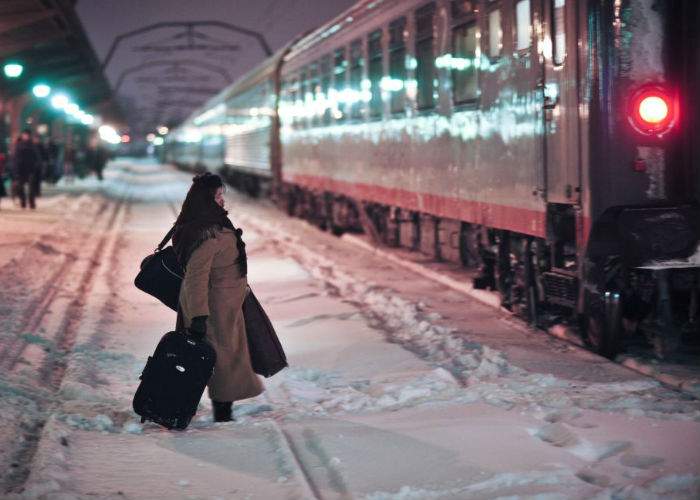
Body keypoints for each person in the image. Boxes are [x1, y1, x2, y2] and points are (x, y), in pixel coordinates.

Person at [172, 173, 263, 422]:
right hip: (214, 309)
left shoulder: (212, 224)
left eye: (222, 195)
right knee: (223, 361)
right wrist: (199, 315)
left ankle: (218, 409)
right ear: (206, 199)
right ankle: (221, 413)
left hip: (227, 304)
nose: (222, 200)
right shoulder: (208, 233)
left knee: (226, 359)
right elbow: (195, 277)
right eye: (218, 196)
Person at [12, 129, 41, 209]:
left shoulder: (32, 145)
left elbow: (37, 157)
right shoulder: (19, 145)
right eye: (24, 135)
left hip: (30, 169)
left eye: (26, 135)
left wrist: (35, 166)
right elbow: (15, 158)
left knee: (31, 188)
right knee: (20, 187)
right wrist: (15, 168)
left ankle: (32, 203)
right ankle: (23, 201)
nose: (25, 136)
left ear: (29, 136)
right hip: (21, 169)